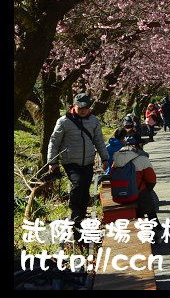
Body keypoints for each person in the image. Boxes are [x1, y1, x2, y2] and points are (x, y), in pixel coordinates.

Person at [47, 93, 109, 241]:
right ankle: (75, 215)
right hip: (70, 161)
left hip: (88, 161)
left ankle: (80, 217)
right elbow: (54, 142)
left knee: (85, 187)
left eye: (86, 107)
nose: (83, 110)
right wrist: (52, 162)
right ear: (74, 105)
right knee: (78, 184)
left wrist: (105, 158)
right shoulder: (63, 122)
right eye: (80, 107)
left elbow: (99, 140)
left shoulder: (93, 121)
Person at [110, 133, 160, 217]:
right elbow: (152, 180)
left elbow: (111, 175)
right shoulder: (142, 158)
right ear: (139, 144)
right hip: (137, 196)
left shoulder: (117, 158)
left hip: (118, 195)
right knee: (148, 197)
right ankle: (155, 225)